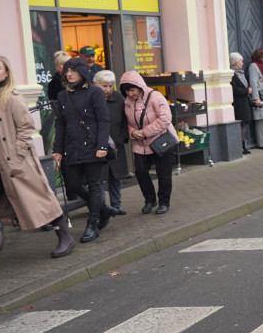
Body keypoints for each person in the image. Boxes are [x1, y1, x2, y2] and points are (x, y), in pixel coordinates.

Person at [0, 55, 74, 260]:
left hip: (14, 161)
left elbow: (27, 129)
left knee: (40, 200)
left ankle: (65, 237)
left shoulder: (12, 97)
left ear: (6, 72)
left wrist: (16, 155)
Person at [53, 57, 111, 243]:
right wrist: (57, 150)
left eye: (73, 71)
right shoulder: (63, 95)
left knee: (94, 185)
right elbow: (60, 124)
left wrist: (102, 146)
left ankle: (92, 224)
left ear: (82, 72)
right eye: (67, 71)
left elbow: (103, 120)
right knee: (73, 184)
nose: (69, 74)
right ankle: (103, 209)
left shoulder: (95, 92)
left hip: (92, 145)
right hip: (71, 147)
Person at [120, 71, 177, 215]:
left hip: (161, 140)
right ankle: (150, 200)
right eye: (127, 91)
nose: (130, 93)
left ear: (140, 86)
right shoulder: (127, 102)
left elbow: (165, 118)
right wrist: (133, 132)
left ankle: (164, 202)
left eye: (132, 90)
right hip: (140, 143)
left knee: (163, 173)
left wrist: (144, 132)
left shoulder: (155, 97)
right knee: (140, 172)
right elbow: (125, 122)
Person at [93, 70, 128, 215]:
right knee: (99, 178)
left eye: (110, 86)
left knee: (116, 176)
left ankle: (116, 205)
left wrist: (123, 136)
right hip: (98, 145)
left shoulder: (118, 97)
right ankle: (102, 208)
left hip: (116, 143)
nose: (108, 89)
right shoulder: (92, 98)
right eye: (104, 86)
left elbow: (125, 118)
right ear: (95, 85)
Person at [229, 53, 253, 156]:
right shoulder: (232, 74)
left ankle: (243, 146)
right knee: (241, 125)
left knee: (244, 125)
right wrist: (246, 91)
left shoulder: (241, 73)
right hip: (239, 104)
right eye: (240, 61)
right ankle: (240, 146)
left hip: (245, 102)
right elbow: (233, 89)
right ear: (235, 63)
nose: (242, 63)